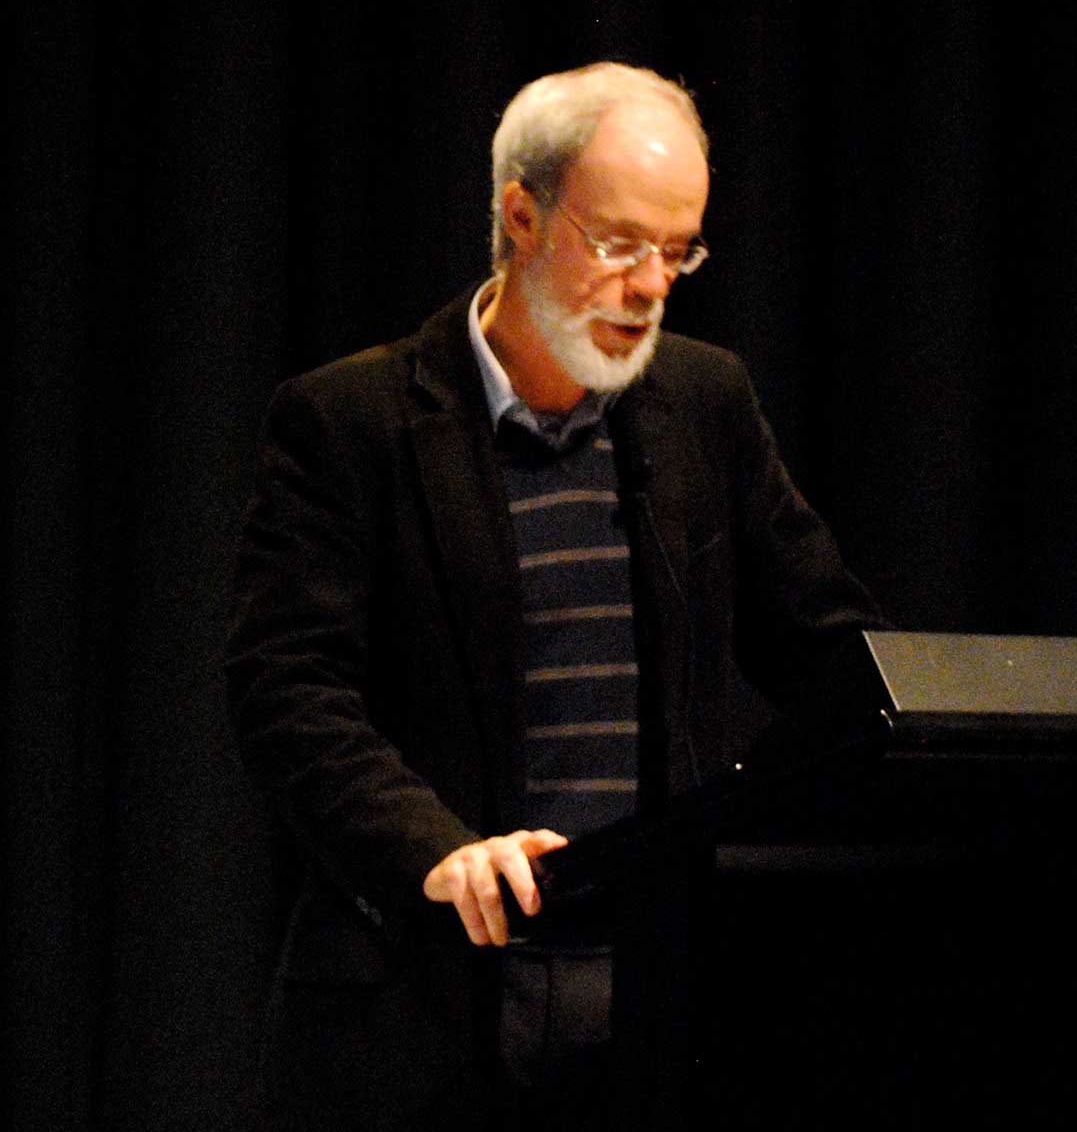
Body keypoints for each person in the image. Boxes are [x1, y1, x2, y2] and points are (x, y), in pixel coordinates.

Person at [227, 62, 884, 1131]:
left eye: (679, 253)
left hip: (659, 1008)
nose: (651, 287)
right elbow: (286, 690)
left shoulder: (702, 402)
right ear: (521, 215)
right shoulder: (352, 420)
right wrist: (437, 849)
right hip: (425, 1008)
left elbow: (827, 650)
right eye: (621, 244)